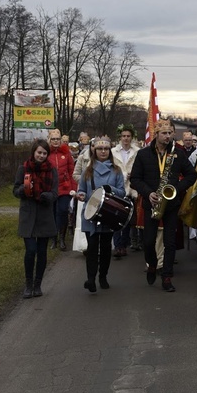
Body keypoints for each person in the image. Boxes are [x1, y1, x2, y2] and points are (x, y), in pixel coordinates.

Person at [130, 119, 197, 292]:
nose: (168, 136)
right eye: (164, 133)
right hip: (151, 203)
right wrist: (148, 193)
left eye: (170, 133)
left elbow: (191, 175)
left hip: (171, 204)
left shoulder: (178, 154)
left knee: (170, 242)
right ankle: (152, 264)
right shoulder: (143, 154)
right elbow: (135, 179)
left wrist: (175, 189)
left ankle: (167, 276)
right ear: (156, 135)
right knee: (148, 241)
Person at [76, 136, 126, 293]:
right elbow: (81, 189)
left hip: (108, 213)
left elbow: (122, 192)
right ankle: (90, 279)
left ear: (109, 151)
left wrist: (108, 189)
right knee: (92, 248)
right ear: (94, 151)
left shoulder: (116, 171)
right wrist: (81, 195)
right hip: (91, 213)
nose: (103, 151)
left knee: (105, 248)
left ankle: (103, 276)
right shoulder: (87, 170)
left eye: (105, 149)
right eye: (99, 149)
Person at [13, 139, 58, 299]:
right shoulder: (23, 168)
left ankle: (38, 284)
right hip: (28, 214)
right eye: (39, 152)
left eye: (45, 153)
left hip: (44, 214)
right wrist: (23, 190)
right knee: (30, 251)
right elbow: (15, 190)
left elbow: (55, 193)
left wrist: (48, 196)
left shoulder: (52, 170)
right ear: (34, 152)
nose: (41, 155)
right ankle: (28, 284)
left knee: (41, 252)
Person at [111, 124, 140, 258]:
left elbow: (141, 168)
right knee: (117, 216)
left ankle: (124, 244)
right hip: (117, 187)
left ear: (132, 137)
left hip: (131, 188)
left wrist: (133, 174)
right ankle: (117, 246)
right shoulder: (113, 152)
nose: (126, 138)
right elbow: (110, 168)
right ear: (120, 137)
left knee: (128, 217)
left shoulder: (138, 152)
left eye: (128, 136)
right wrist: (122, 174)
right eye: (123, 136)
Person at [46, 129, 76, 251]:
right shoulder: (47, 153)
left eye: (57, 139)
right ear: (50, 140)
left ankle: (62, 238)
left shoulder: (67, 153)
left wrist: (74, 188)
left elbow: (71, 171)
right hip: (50, 188)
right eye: (53, 139)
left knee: (62, 211)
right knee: (52, 213)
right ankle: (54, 239)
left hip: (64, 188)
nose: (55, 141)